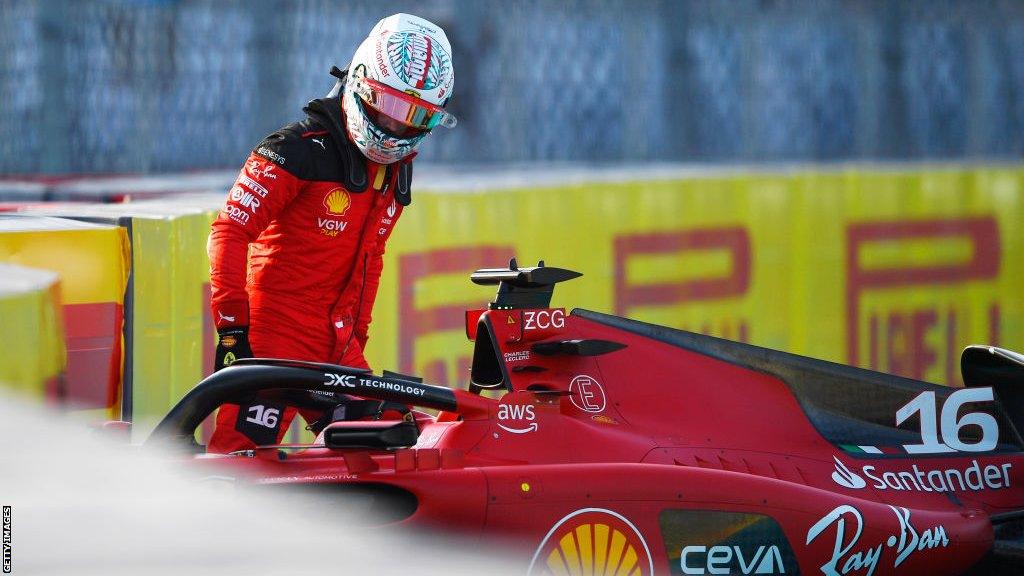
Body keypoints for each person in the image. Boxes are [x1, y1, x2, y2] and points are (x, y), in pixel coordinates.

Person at [206, 13, 457, 453]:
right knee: (235, 465)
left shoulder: (398, 170)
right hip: (271, 344)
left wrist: (356, 339)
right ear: (361, 82)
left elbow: (371, 258)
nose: (397, 126)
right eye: (391, 106)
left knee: (405, 444)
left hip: (337, 350)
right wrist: (231, 331)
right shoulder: (296, 149)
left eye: (416, 115)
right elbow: (229, 230)